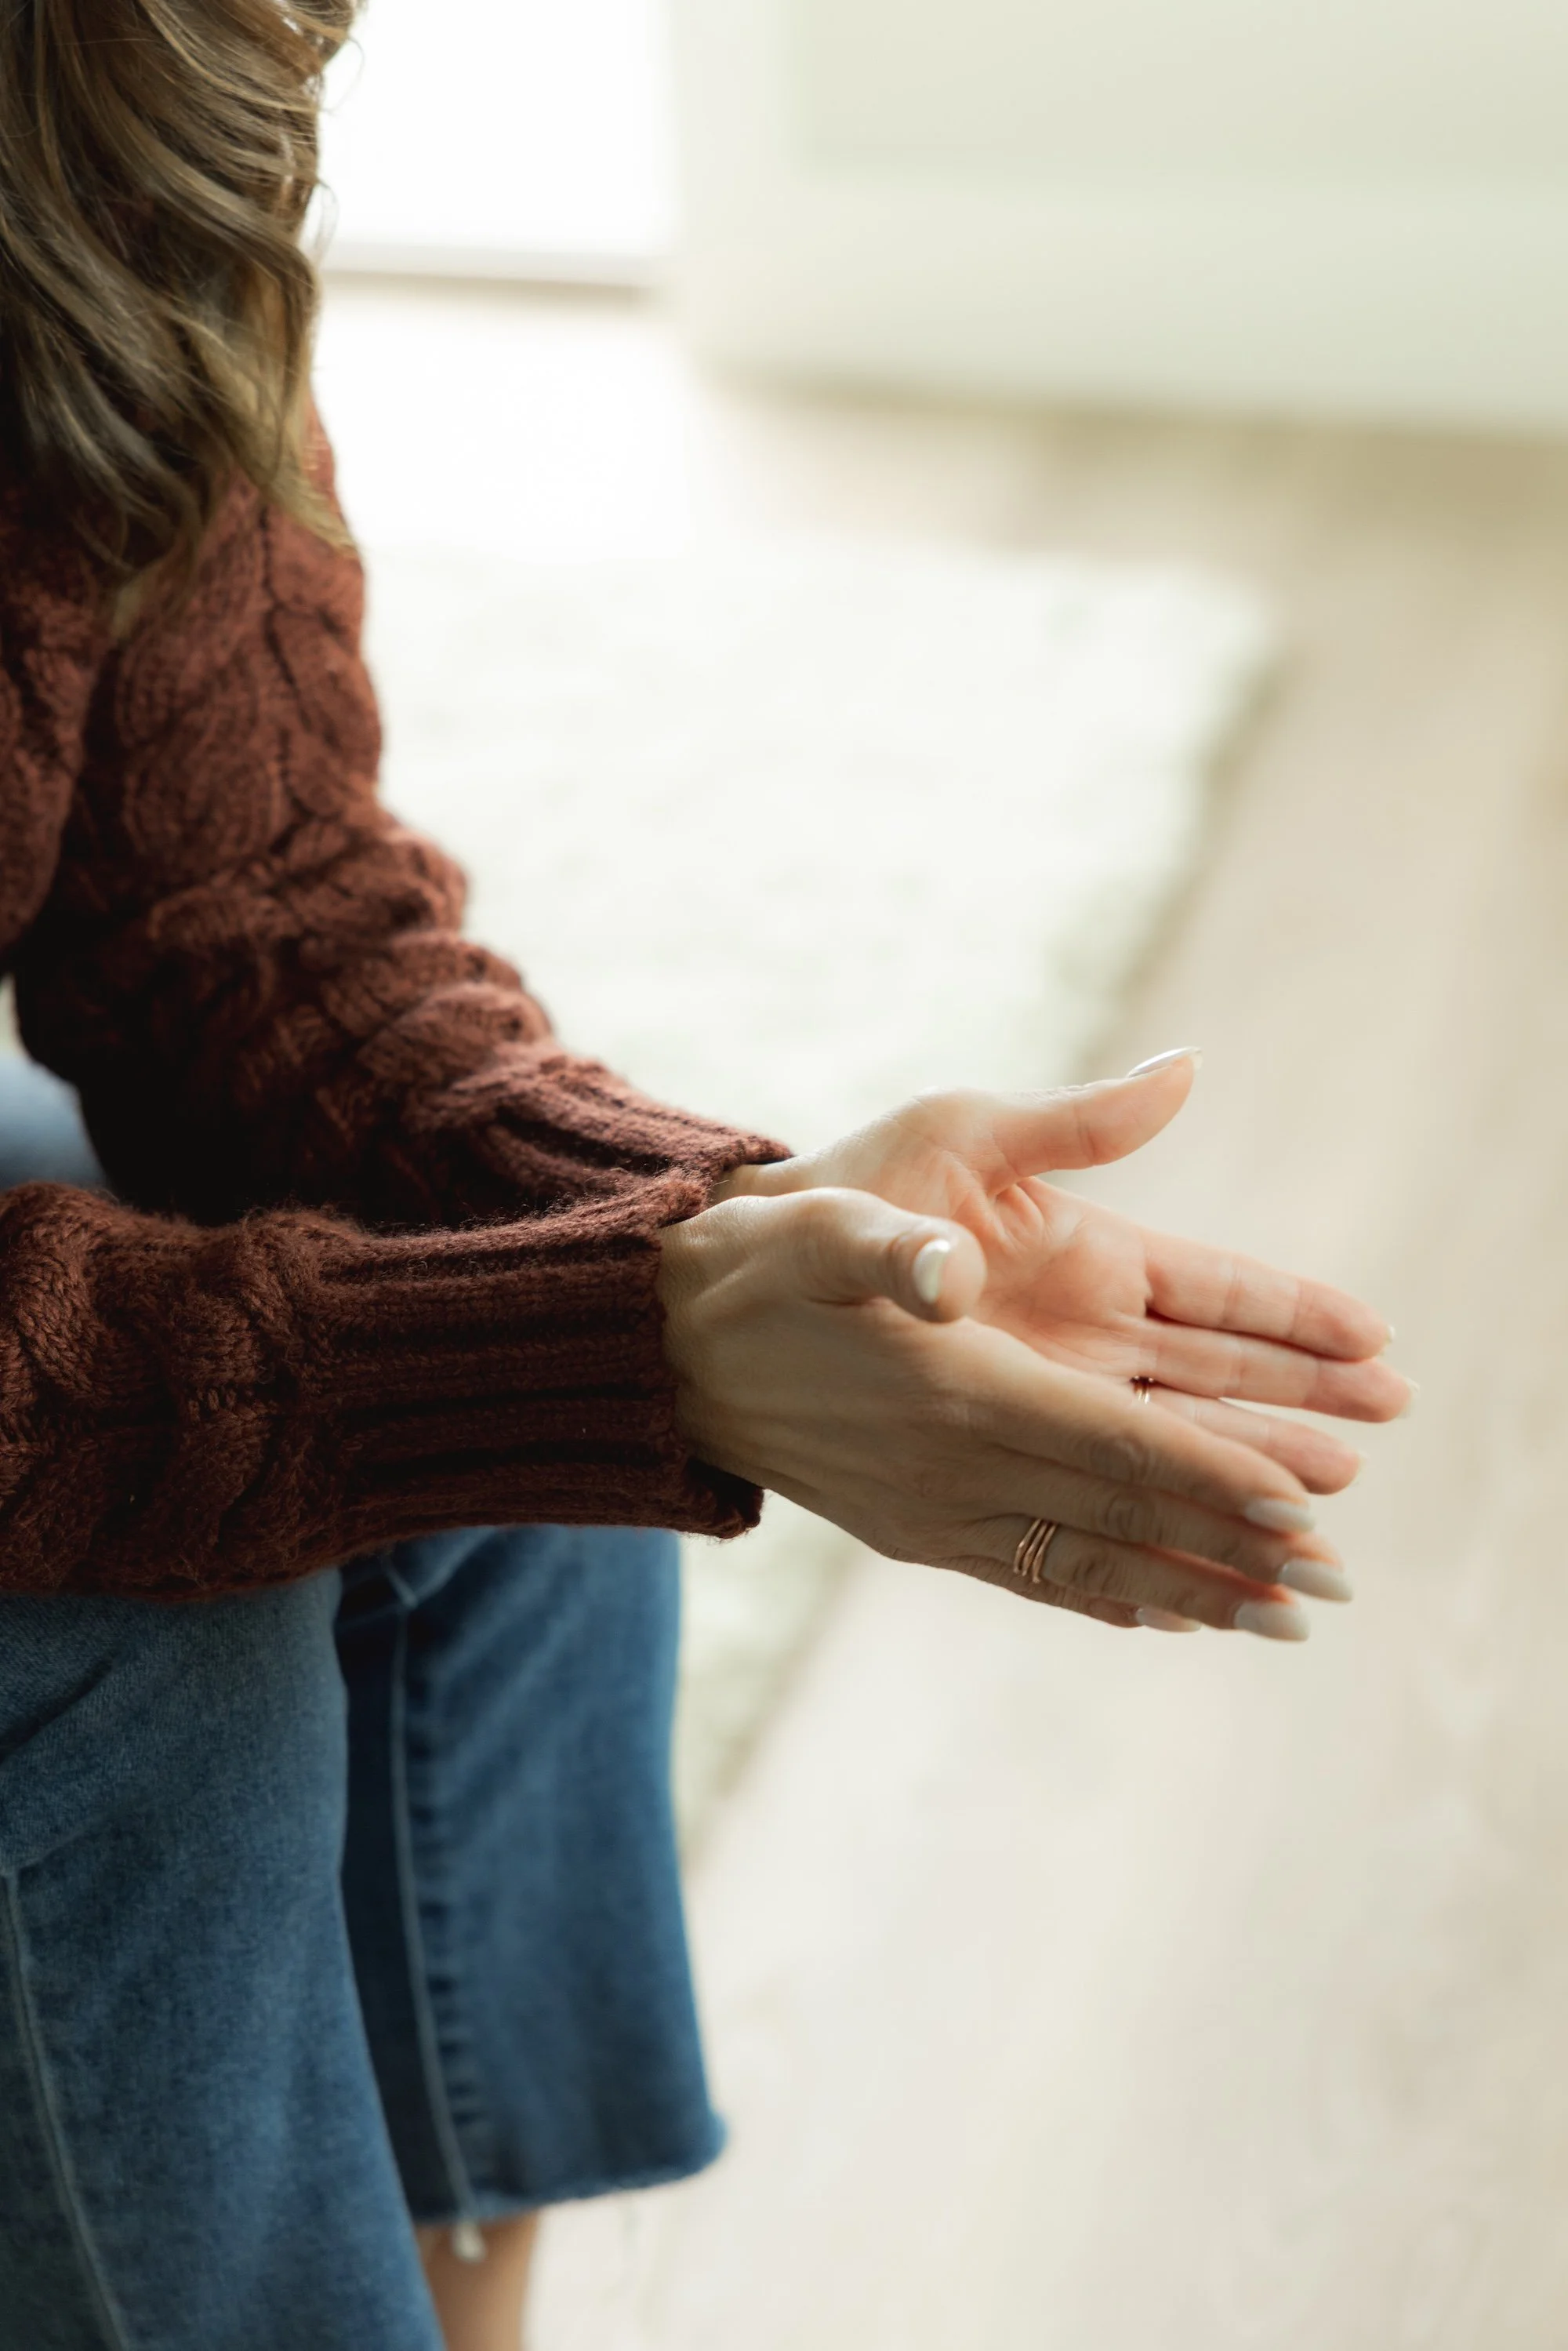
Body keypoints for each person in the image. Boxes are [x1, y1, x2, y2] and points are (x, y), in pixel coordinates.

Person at [0, 5, 1409, 2348]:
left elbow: (238, 910)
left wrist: (729, 1262)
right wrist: (611, 1340)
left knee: (532, 1403)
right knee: (174, 1635)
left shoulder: (107, 92)